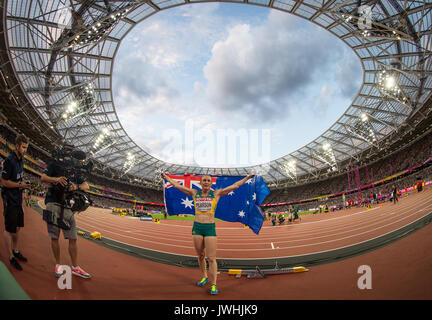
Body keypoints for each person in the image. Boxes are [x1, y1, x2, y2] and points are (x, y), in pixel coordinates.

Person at [162, 171, 255, 295]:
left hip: (210, 228)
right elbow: (178, 186)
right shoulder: (194, 193)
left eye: (208, 180)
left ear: (211, 183)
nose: (206, 182)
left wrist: (248, 177)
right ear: (200, 183)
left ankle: (213, 284)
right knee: (200, 255)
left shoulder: (216, 193)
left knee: (211, 258)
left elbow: (235, 186)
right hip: (197, 227)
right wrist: (167, 177)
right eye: (204, 180)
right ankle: (204, 276)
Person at [40, 148, 91, 279]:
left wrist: (76, 186)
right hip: (53, 203)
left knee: (73, 238)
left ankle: (75, 267)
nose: (79, 163)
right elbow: (43, 178)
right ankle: (58, 264)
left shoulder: (76, 171)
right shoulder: (55, 164)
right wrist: (56, 179)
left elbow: (86, 186)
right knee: (54, 237)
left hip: (68, 206)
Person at [1, 134, 31, 270]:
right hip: (9, 199)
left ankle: (16, 250)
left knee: (18, 227)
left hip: (18, 199)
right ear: (17, 145)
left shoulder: (21, 161)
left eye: (26, 148)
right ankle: (10, 257)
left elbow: (20, 179)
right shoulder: (9, 160)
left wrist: (23, 192)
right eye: (23, 147)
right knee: (9, 229)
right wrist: (20, 186)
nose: (25, 150)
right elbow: (4, 182)